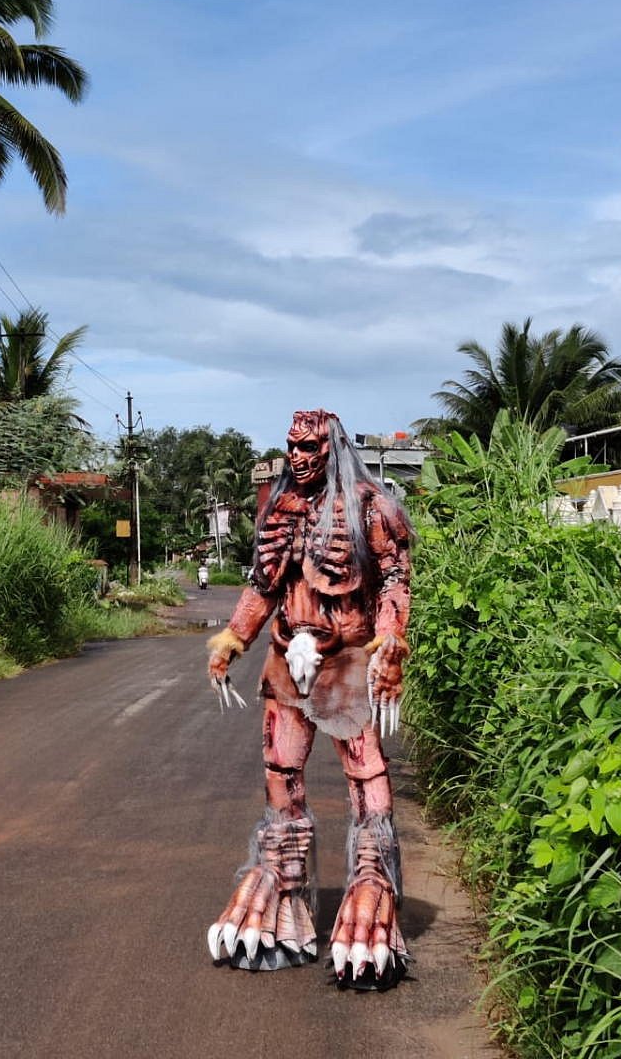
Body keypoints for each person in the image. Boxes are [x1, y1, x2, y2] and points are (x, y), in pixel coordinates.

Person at [205, 409, 411, 987]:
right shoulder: (276, 501)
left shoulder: (371, 506)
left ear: (331, 445)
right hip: (286, 655)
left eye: (311, 446)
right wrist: (235, 636)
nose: (299, 456)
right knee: (280, 771)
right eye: (292, 445)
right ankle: (281, 880)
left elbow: (393, 578)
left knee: (365, 776)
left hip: (347, 657)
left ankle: (372, 884)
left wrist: (391, 639)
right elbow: (263, 581)